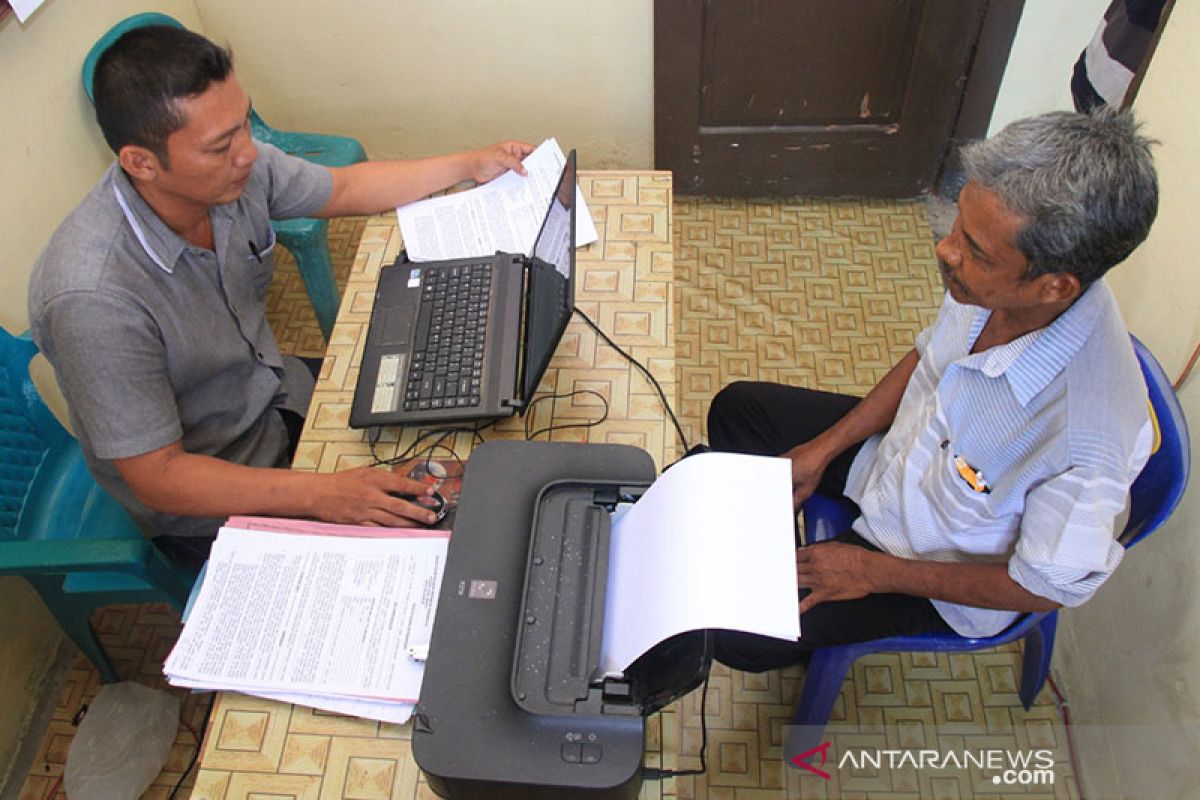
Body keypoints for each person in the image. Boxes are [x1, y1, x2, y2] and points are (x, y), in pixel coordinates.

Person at [27, 25, 534, 567]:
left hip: (276, 394)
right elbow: (159, 476)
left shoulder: (232, 172)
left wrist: (468, 164)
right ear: (141, 162)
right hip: (216, 491)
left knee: (474, 412)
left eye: (244, 122)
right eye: (221, 145)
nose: (248, 153)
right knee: (431, 558)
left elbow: (343, 188)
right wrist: (323, 493)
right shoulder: (94, 299)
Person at [706, 109, 1159, 671]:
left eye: (974, 250)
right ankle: (769, 548)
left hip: (930, 564)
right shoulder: (997, 276)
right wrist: (825, 449)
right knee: (738, 410)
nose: (947, 251)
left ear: (1054, 286)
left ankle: (789, 581)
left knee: (731, 634)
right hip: (899, 464)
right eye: (957, 226)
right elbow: (930, 358)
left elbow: (1042, 587)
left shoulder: (1086, 441)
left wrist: (871, 572)